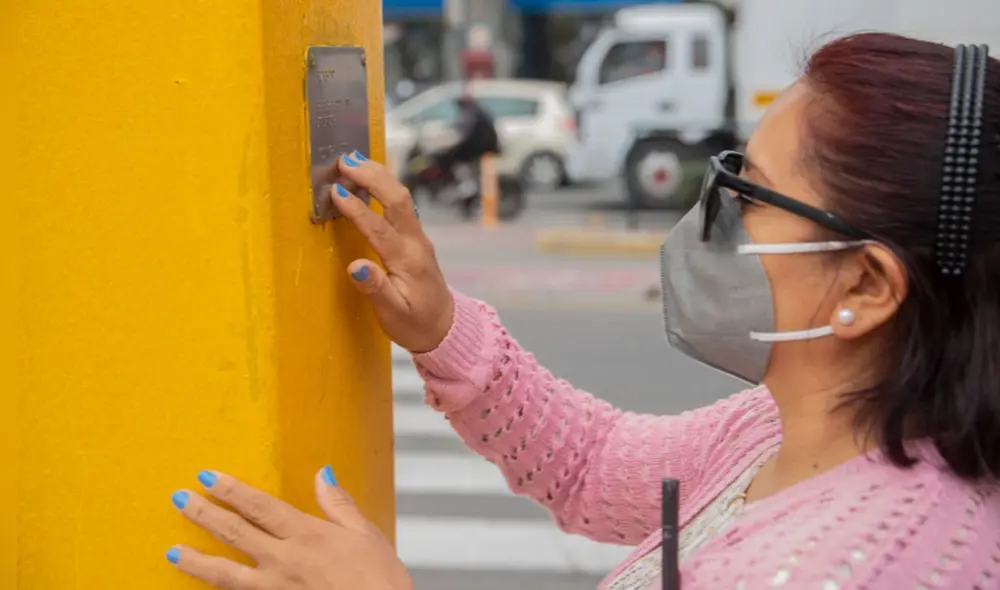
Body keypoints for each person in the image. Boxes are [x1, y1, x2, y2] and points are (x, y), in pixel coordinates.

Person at [163, 32, 1000, 589]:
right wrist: (443, 330)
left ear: (866, 287)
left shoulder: (851, 564)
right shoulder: (787, 431)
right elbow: (595, 466)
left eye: (750, 193)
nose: (711, 213)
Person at [430, 89, 500, 190]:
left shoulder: (471, 113)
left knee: (447, 156)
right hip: (483, 144)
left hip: (481, 146)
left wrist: (451, 145)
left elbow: (466, 133)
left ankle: (464, 185)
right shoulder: (476, 111)